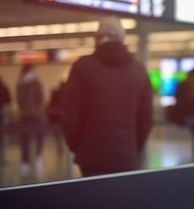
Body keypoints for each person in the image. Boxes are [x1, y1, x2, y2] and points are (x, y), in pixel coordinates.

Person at [62, 16, 153, 177]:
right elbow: (146, 118)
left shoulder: (82, 67)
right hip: (127, 156)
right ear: (123, 38)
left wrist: (77, 146)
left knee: (94, 201)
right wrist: (134, 147)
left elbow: (71, 114)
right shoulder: (139, 70)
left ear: (97, 38)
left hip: (91, 157)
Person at [16, 64, 45, 174]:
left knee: (29, 138)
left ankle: (30, 160)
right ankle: (32, 159)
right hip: (33, 115)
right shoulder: (29, 83)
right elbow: (40, 98)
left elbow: (20, 101)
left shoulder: (23, 83)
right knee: (30, 138)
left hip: (28, 115)